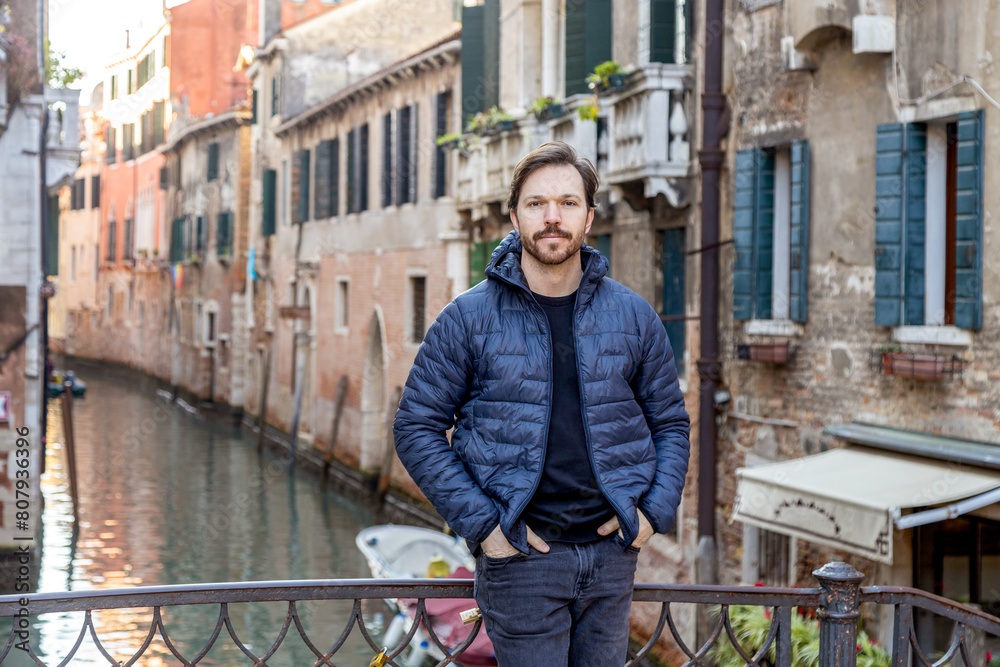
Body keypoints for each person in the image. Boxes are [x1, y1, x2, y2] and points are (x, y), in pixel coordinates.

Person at [393, 141, 690, 666]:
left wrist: (651, 514)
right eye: (537, 204)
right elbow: (416, 427)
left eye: (568, 203)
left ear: (589, 217)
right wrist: (485, 527)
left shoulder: (636, 316)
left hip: (610, 557)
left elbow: (670, 422)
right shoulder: (466, 318)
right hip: (520, 560)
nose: (553, 217)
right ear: (514, 215)